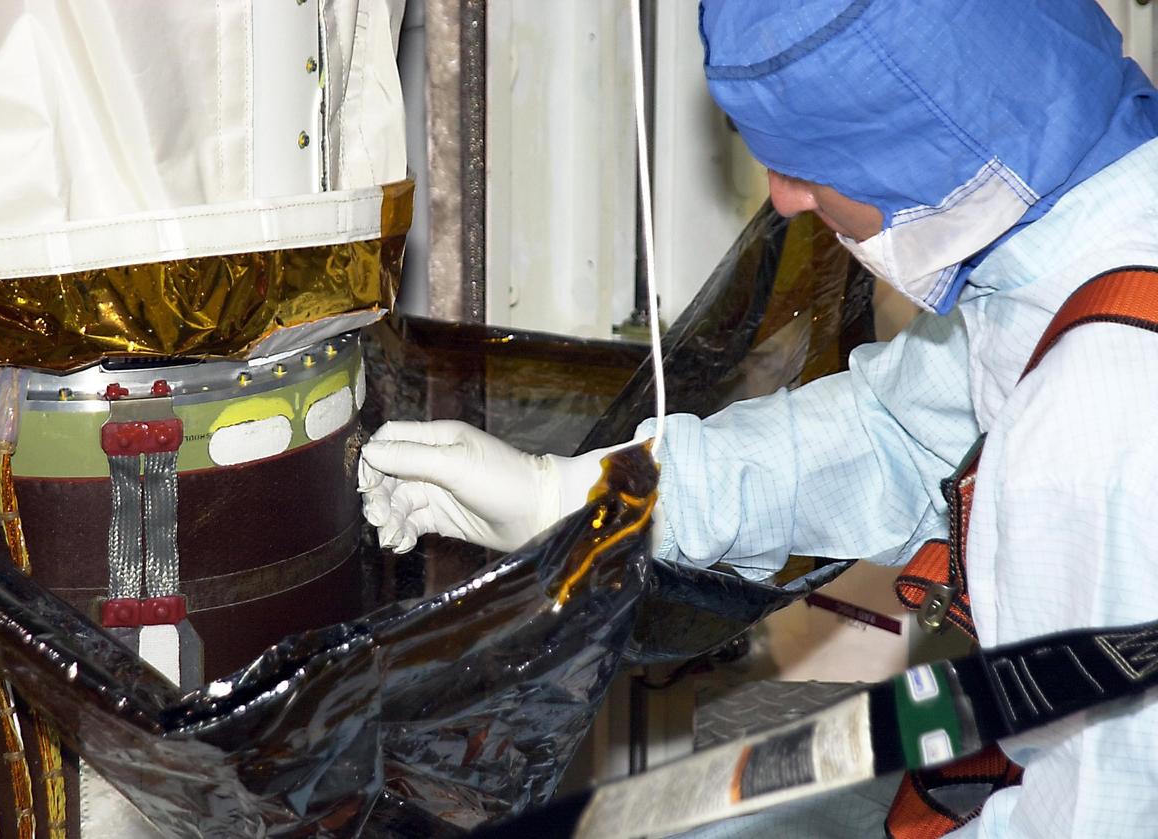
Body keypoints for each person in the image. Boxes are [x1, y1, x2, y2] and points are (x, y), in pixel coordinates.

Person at [359, 1, 1158, 835]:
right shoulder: (1071, 255)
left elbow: (1103, 812)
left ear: (927, 138)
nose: (782, 201)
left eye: (812, 164)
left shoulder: (1101, 415)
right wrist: (582, 497)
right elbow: (898, 436)